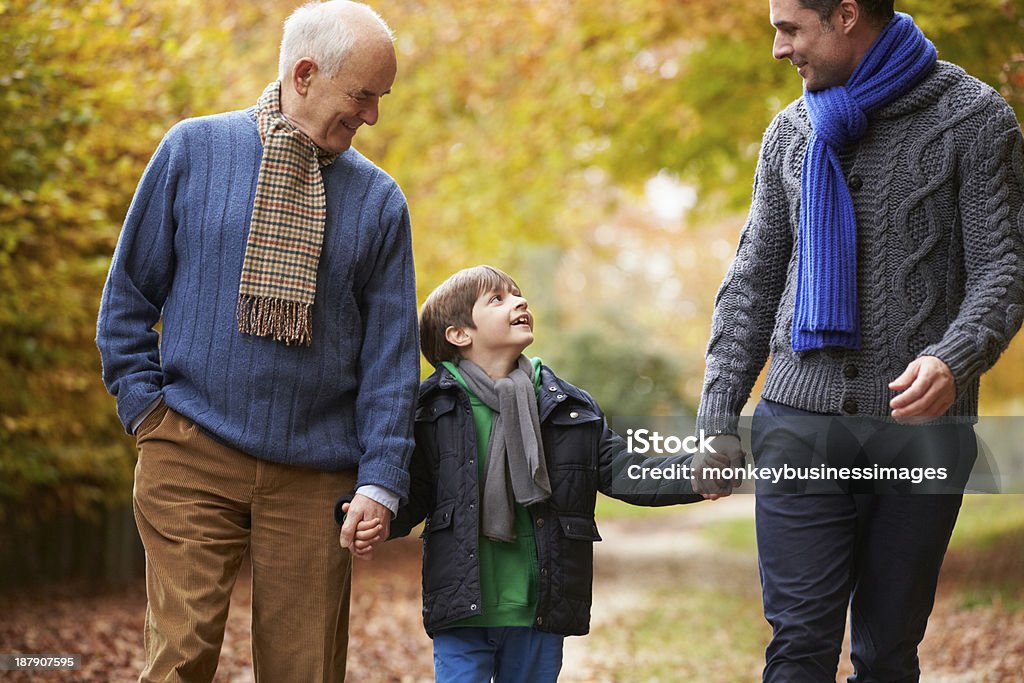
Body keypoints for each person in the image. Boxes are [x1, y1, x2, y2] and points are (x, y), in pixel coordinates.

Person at [695, 0, 1024, 681]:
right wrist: (717, 412)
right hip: (798, 420)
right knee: (800, 645)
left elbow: (1003, 265)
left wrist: (953, 356)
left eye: (791, 29)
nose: (779, 49)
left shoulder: (975, 117)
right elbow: (752, 281)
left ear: (846, 15)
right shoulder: (789, 130)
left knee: (884, 652)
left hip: (920, 430)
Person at [95, 2, 418, 681]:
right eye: (363, 96)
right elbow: (128, 298)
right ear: (305, 74)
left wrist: (381, 480)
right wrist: (147, 413)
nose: (372, 116)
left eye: (379, 98)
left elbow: (390, 362)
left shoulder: (380, 201)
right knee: (177, 659)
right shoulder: (192, 150)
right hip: (189, 452)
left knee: (304, 670)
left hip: (315, 476)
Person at [347, 265, 708, 682]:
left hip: (539, 607)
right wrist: (371, 516)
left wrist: (695, 474)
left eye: (517, 294)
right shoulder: (430, 409)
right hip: (463, 610)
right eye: (497, 299)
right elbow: (413, 492)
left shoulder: (567, 406)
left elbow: (626, 471)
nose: (519, 302)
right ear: (459, 334)